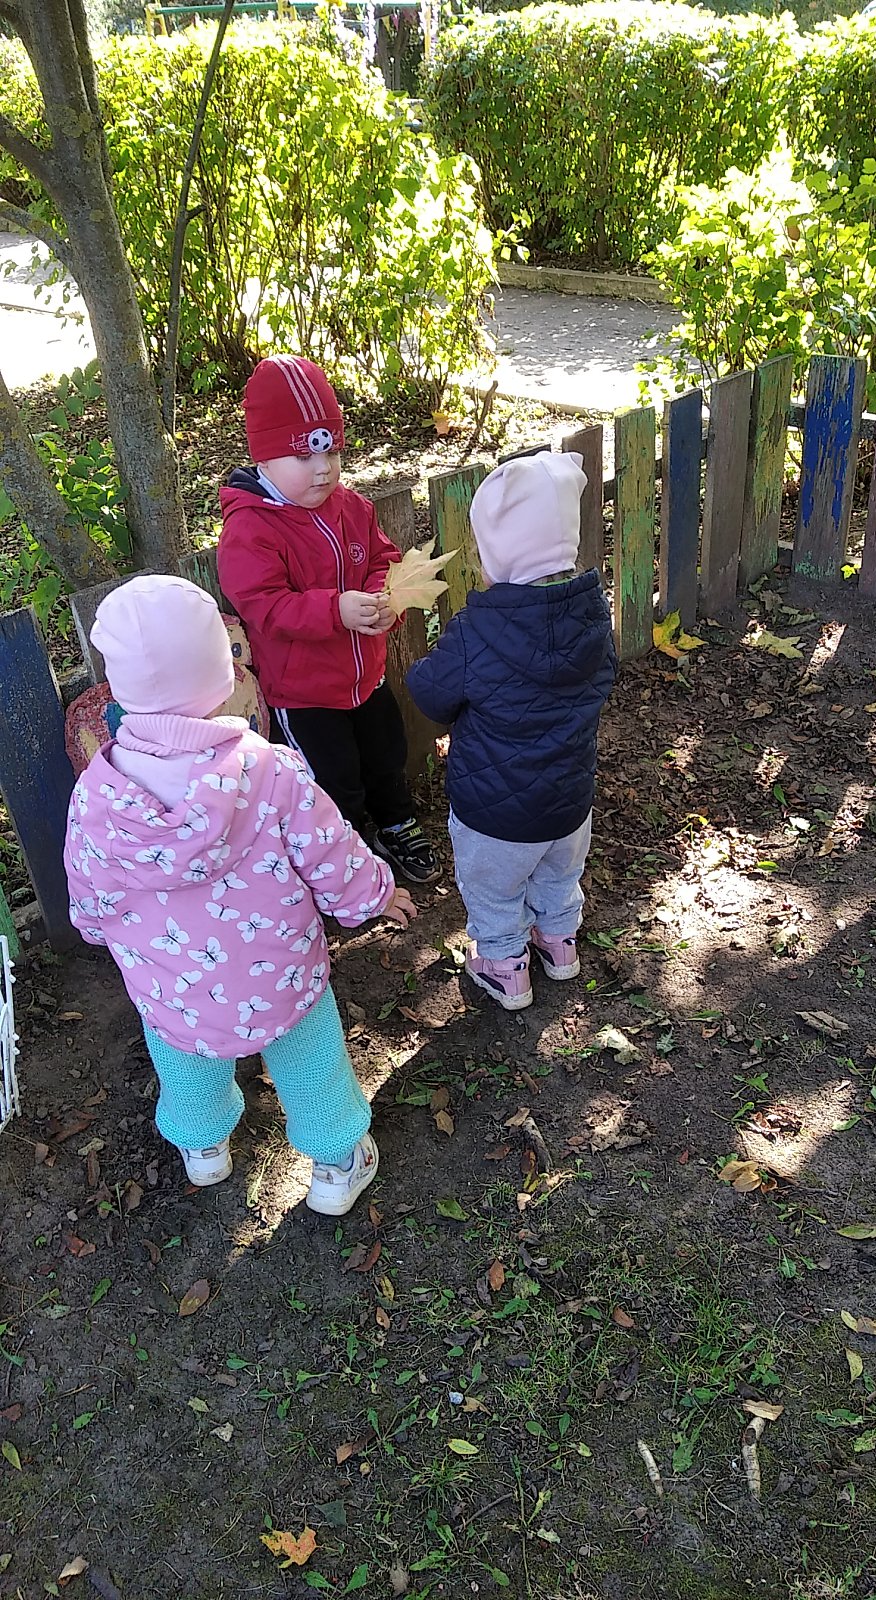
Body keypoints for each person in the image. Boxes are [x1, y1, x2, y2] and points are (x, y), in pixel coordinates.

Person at [63, 574, 416, 1212]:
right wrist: (374, 895)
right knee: (308, 1057)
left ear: (119, 686)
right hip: (278, 974)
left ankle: (202, 1147)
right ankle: (338, 1161)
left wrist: (94, 925)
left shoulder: (98, 791)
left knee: (184, 1053)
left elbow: (87, 879)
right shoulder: (268, 769)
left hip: (170, 981)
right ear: (223, 674)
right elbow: (329, 850)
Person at [406, 451, 617, 1011]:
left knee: (494, 891)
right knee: (558, 875)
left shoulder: (476, 631)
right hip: (570, 800)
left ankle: (504, 967)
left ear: (500, 555)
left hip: (493, 813)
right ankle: (559, 943)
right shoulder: (594, 616)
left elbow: (432, 696)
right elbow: (603, 679)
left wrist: (421, 668)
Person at [216, 354, 437, 885]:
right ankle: (342, 851)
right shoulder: (251, 529)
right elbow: (264, 604)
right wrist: (334, 609)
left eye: (332, 450)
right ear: (264, 458)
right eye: (304, 456)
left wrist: (386, 595)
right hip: (304, 694)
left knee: (386, 753)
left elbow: (382, 558)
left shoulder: (351, 507)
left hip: (365, 676)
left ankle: (395, 821)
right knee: (330, 779)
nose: (323, 468)